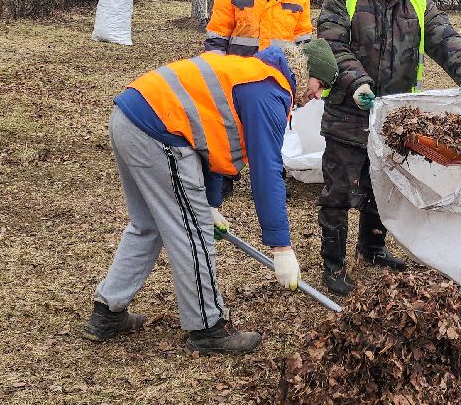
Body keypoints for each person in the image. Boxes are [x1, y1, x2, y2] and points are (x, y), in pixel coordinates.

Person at [84, 37, 339, 355]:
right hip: (158, 128)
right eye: (320, 85)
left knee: (148, 224)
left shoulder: (252, 71)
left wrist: (212, 203)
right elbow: (267, 171)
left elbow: (216, 140)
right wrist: (281, 247)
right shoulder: (269, 90)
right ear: (308, 71)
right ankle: (207, 328)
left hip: (132, 117)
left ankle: (107, 312)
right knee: (192, 232)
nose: (317, 95)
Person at [316, 0, 461, 297]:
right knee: (339, 190)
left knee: (382, 185)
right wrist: (358, 83)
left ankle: (372, 248)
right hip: (349, 111)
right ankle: (333, 264)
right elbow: (332, 44)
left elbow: (446, 39)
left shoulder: (416, 2)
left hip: (394, 116)